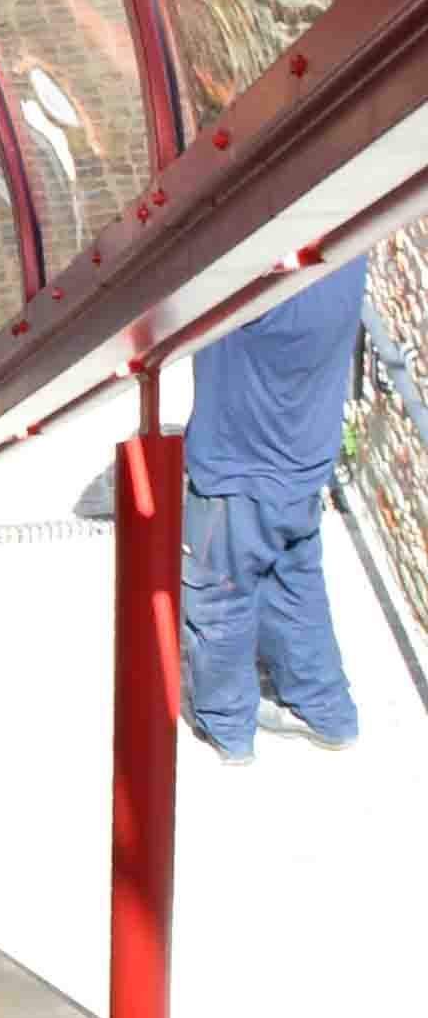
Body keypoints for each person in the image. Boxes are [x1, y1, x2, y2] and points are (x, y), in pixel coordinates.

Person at [179, 258, 368, 758]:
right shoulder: (349, 252)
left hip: (238, 470)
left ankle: (226, 728)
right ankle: (326, 712)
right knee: (294, 582)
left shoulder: (251, 266)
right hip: (304, 460)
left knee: (220, 598)